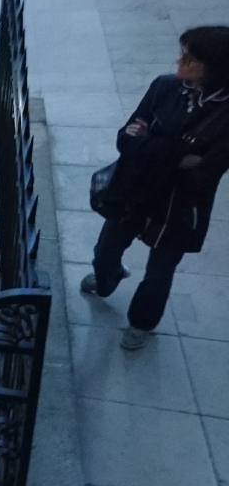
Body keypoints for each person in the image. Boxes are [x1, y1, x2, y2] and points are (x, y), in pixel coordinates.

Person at [82, 26, 229, 350]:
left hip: (182, 204)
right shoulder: (165, 87)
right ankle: (108, 277)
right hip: (135, 190)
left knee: (160, 272)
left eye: (190, 59)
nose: (180, 62)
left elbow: (205, 171)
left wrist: (150, 143)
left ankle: (142, 323)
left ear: (216, 69)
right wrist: (177, 155)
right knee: (106, 250)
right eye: (182, 54)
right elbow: (125, 139)